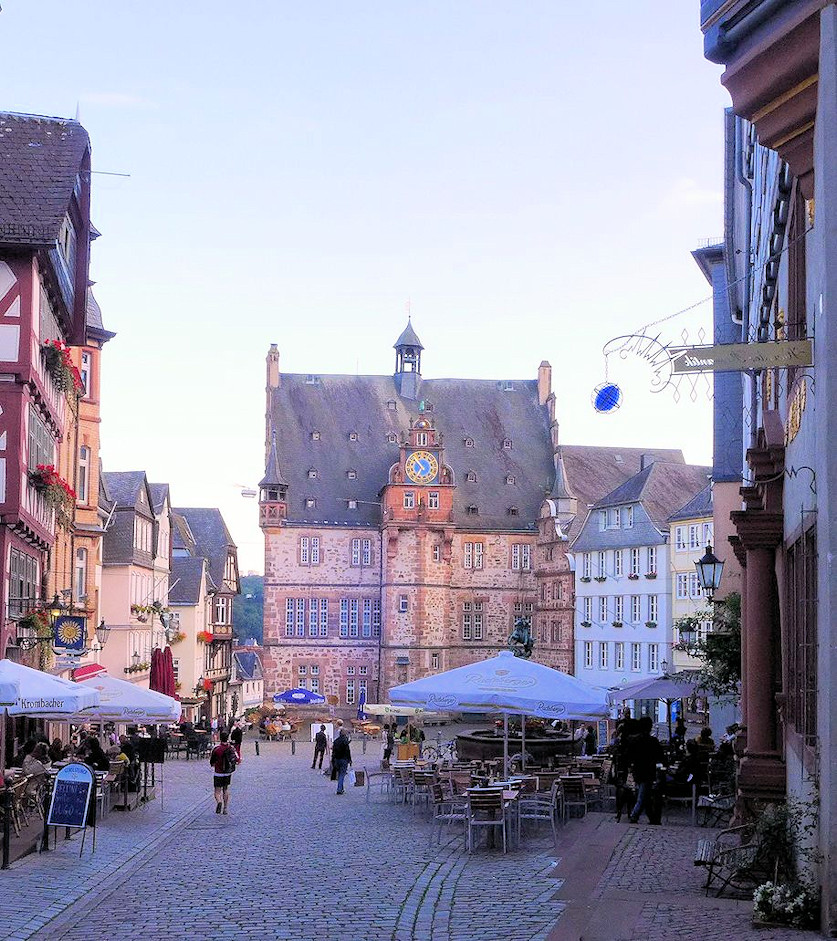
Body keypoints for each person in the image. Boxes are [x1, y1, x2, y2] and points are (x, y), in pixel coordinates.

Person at [627, 715, 664, 824]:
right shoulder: (652, 741)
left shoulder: (634, 740)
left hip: (637, 770)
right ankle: (634, 815)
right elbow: (660, 756)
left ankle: (652, 818)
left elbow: (630, 755)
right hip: (648, 771)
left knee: (645, 794)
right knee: (643, 795)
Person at [209, 730, 238, 814]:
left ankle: (219, 801)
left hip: (218, 772)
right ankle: (225, 808)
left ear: (220, 738)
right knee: (225, 789)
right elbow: (237, 759)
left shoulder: (217, 749)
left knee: (217, 791)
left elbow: (212, 762)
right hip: (227, 772)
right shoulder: (231, 748)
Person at [331, 729, 352, 795]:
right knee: (342, 775)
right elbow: (348, 751)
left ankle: (341, 788)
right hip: (344, 759)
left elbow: (333, 751)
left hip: (337, 759)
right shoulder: (345, 741)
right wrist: (350, 760)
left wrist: (333, 760)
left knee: (340, 774)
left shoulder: (336, 741)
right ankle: (339, 789)